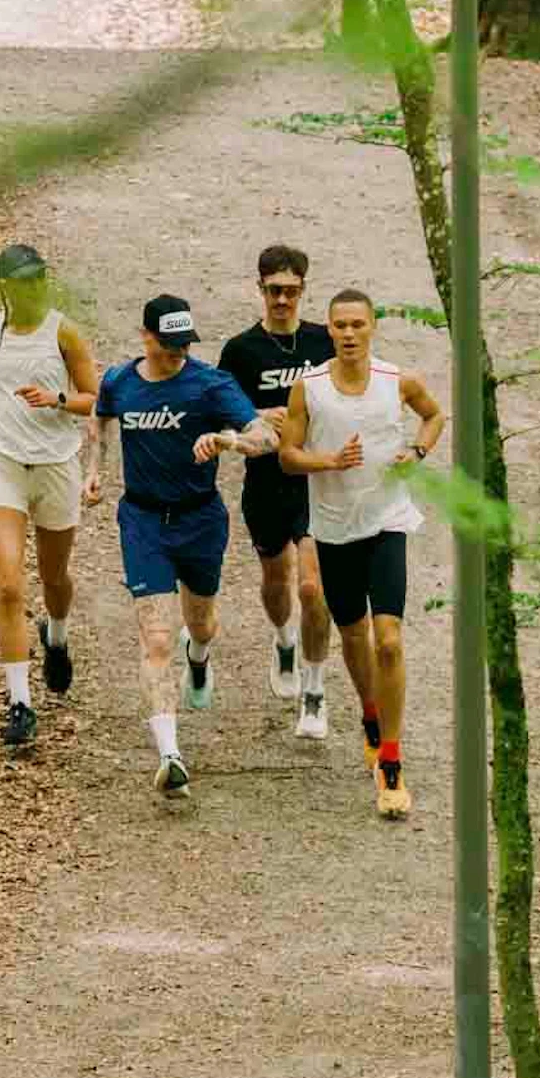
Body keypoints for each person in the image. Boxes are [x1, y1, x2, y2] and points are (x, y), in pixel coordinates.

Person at [89, 292, 272, 797]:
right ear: (145, 337)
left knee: (200, 623)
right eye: (168, 345)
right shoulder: (119, 382)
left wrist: (228, 441)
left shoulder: (209, 384)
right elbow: (101, 416)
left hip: (200, 518)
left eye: (184, 345)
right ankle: (171, 755)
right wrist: (94, 473)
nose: (177, 354)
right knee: (156, 638)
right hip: (144, 519)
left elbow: (266, 437)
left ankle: (201, 655)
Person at [275, 287, 442, 818]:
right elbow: (286, 457)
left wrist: (416, 451)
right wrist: (329, 462)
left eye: (357, 325)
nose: (349, 334)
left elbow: (434, 416)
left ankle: (391, 762)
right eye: (340, 326)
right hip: (334, 529)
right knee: (353, 635)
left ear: (372, 328)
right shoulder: (311, 388)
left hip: (387, 522)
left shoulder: (398, 381)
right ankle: (371, 715)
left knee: (388, 639)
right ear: (329, 330)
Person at [0, 242, 96, 752]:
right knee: (9, 584)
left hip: (56, 464)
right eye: (22, 281)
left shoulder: (65, 332)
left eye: (38, 279)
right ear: (5, 286)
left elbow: (94, 397)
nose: (32, 288)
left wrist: (56, 399)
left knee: (54, 577)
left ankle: (56, 634)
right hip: (3, 462)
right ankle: (19, 703)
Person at [216, 242, 338, 738]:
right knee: (276, 583)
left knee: (313, 587)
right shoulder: (241, 350)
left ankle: (314, 690)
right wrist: (257, 416)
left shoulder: (324, 342)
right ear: (260, 289)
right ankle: (284, 640)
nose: (282, 300)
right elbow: (221, 406)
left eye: (290, 291)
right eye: (273, 291)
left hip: (315, 481)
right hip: (266, 483)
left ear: (303, 290)